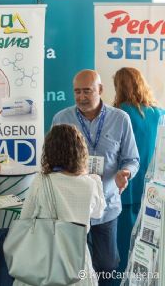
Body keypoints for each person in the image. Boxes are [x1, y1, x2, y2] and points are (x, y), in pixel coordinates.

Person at [52, 69, 139, 284]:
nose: (81, 97)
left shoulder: (120, 119)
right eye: (77, 92)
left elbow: (132, 159)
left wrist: (126, 172)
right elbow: (51, 161)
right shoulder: (62, 119)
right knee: (75, 266)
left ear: (100, 90)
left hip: (106, 206)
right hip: (71, 209)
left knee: (107, 264)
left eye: (87, 91)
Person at [13, 124, 106, 286]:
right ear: (80, 152)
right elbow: (98, 213)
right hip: (77, 259)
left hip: (45, 259)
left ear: (49, 151)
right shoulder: (91, 184)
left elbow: (25, 219)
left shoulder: (41, 182)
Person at [113, 67, 164, 272]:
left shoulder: (118, 114)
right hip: (154, 192)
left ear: (119, 86)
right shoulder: (160, 114)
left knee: (123, 246)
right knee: (150, 247)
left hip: (125, 189)